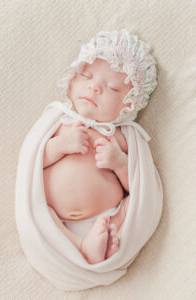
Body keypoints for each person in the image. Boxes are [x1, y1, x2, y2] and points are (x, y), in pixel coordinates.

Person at [43, 29, 157, 264]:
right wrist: (60, 145)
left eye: (113, 88)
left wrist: (120, 164)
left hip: (107, 217)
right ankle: (82, 246)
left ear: (130, 104)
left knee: (130, 207)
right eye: (86, 76)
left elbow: (137, 185)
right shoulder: (59, 122)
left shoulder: (122, 137)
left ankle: (101, 242)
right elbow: (33, 162)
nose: (94, 87)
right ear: (72, 79)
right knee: (42, 215)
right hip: (55, 218)